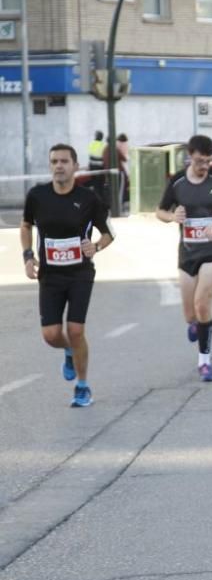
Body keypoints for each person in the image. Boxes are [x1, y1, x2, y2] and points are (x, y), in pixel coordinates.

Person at [20, 144, 116, 407]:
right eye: (54, 161)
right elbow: (26, 225)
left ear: (75, 166)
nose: (59, 166)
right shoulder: (38, 196)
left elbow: (109, 233)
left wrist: (95, 246)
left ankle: (82, 387)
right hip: (50, 275)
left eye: (64, 161)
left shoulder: (88, 198)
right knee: (51, 335)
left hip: (79, 273)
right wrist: (28, 256)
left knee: (75, 329)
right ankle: (68, 351)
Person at [155, 135, 212, 382]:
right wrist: (173, 217)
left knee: (202, 304)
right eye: (199, 161)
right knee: (190, 314)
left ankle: (204, 361)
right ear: (190, 156)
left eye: (207, 161)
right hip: (187, 254)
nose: (204, 166)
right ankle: (196, 324)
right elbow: (160, 211)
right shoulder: (177, 182)